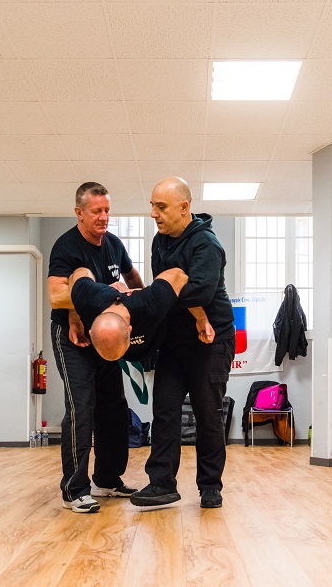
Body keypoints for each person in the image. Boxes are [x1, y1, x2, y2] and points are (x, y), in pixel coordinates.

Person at [130, 176, 236, 510]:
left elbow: (198, 291)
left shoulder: (206, 244)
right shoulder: (159, 242)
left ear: (184, 207)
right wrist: (168, 289)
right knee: (164, 411)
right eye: (152, 206)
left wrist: (163, 292)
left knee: (208, 416)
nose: (154, 213)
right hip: (174, 342)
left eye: (161, 207)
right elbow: (170, 289)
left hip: (211, 342)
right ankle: (161, 484)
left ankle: (210, 487)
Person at [47, 182, 144, 514]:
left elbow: (133, 279)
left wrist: (145, 302)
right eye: (96, 211)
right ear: (79, 212)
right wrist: (108, 292)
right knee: (81, 407)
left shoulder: (114, 244)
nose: (104, 217)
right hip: (73, 339)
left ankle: (107, 479)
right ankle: (74, 490)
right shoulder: (67, 246)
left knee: (113, 408)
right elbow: (56, 295)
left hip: (106, 338)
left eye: (107, 210)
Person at [69, 266, 189, 362]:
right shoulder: (85, 299)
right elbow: (79, 272)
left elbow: (178, 274)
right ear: (90, 332)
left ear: (130, 329)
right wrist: (74, 321)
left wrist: (200, 319)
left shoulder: (151, 303)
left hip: (160, 341)